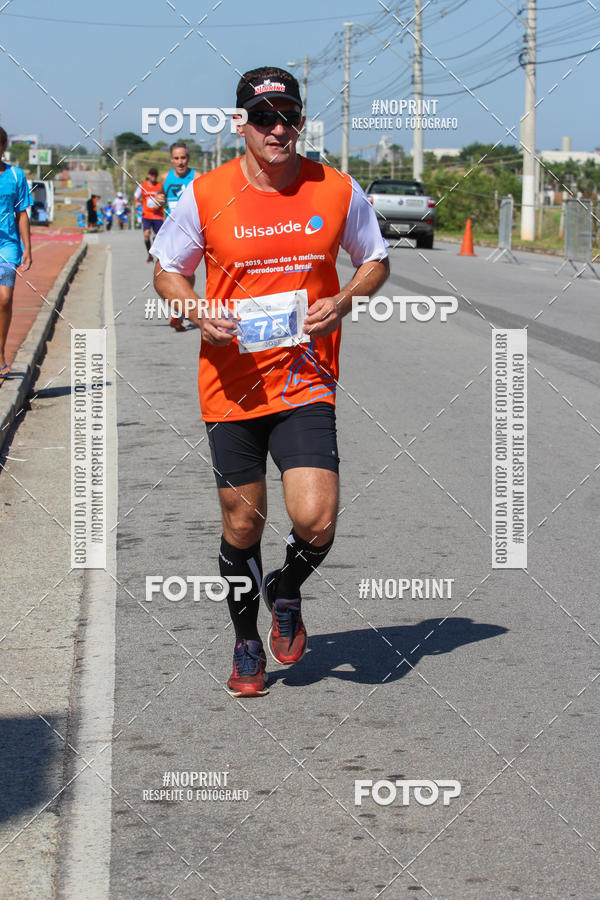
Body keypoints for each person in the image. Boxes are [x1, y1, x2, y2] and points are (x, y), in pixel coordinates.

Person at [152, 66, 389, 698]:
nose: (277, 129)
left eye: (287, 116)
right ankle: (246, 639)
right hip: (230, 384)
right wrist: (195, 309)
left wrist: (341, 301)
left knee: (316, 519)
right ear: (241, 125)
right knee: (242, 523)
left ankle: (285, 589)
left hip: (304, 377)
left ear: (301, 122)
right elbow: (167, 271)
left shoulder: (335, 189)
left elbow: (376, 260)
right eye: (263, 118)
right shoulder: (206, 194)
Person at [0, 125, 32, 380]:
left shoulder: (15, 175)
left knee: (4, 299)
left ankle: (0, 353)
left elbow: (22, 214)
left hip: (7, 245)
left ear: (3, 147)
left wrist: (28, 249)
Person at [160, 142, 201, 330]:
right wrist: (157, 200)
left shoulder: (197, 177)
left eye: (183, 157)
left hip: (190, 231)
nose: (180, 162)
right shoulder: (165, 177)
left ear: (188, 158)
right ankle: (180, 307)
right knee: (169, 273)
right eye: (176, 158)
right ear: (171, 159)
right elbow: (161, 197)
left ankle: (179, 309)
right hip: (170, 232)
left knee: (186, 273)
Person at [134, 167, 165, 262]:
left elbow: (164, 197)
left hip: (158, 216)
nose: (153, 177)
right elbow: (136, 196)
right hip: (146, 215)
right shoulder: (142, 186)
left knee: (157, 237)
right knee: (146, 234)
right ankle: (149, 254)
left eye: (155, 175)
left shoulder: (160, 186)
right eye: (152, 175)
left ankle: (157, 255)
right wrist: (137, 203)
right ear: (148, 176)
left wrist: (162, 203)